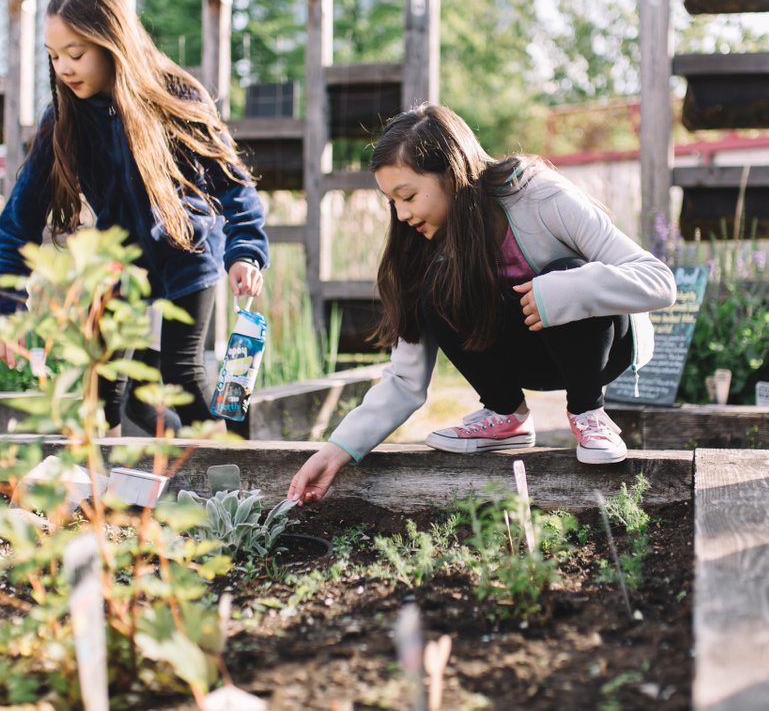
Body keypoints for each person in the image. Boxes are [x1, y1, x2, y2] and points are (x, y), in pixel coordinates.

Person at [287, 104, 675, 504]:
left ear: (452, 173)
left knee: (567, 270)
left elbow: (658, 280)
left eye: (408, 196)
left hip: (600, 347)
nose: (401, 215)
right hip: (528, 356)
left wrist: (565, 289)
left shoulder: (542, 196)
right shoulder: (424, 247)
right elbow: (404, 380)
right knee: (436, 288)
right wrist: (338, 449)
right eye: (392, 202)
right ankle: (505, 414)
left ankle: (589, 414)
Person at [0, 0, 268, 434]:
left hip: (189, 249)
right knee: (102, 376)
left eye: (75, 55)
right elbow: (18, 220)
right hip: (120, 259)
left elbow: (235, 186)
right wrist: (7, 303)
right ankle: (107, 489)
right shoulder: (63, 118)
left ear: (112, 42)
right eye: (53, 56)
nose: (63, 68)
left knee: (181, 372)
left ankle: (236, 474)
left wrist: (245, 252)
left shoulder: (176, 97)